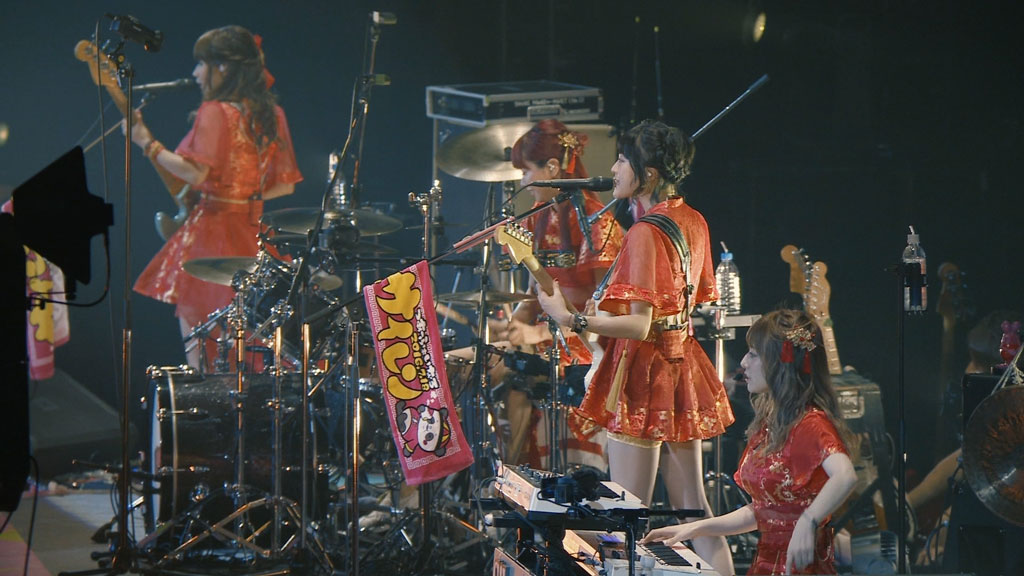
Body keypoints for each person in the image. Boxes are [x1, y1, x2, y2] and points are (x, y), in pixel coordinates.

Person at [535, 120, 735, 573]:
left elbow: (640, 325)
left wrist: (571, 318)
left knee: (626, 513)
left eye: (623, 160)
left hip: (644, 374)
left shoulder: (644, 231)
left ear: (648, 174)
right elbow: (684, 303)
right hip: (682, 364)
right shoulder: (693, 219)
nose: (613, 168)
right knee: (694, 512)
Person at [126, 26, 302, 367]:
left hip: (212, 234)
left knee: (203, 343)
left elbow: (196, 174)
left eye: (201, 64)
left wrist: (146, 142)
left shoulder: (215, 111)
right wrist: (244, 195)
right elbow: (285, 186)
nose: (195, 73)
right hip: (254, 232)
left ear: (222, 67)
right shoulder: (272, 115)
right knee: (254, 336)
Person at [642, 309, 859, 575]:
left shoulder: (810, 423)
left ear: (781, 363)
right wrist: (693, 528)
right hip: (768, 563)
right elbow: (763, 512)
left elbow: (845, 475)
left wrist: (808, 521)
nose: (744, 362)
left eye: (754, 355)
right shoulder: (775, 423)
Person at [488, 119, 623, 466]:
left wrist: (536, 334)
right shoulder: (537, 218)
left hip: (586, 342)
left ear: (551, 168)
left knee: (509, 375)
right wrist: (516, 324)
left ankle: (514, 472)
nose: (523, 182)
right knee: (472, 362)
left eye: (526, 171)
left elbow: (606, 311)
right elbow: (535, 291)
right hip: (548, 337)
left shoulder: (596, 222)